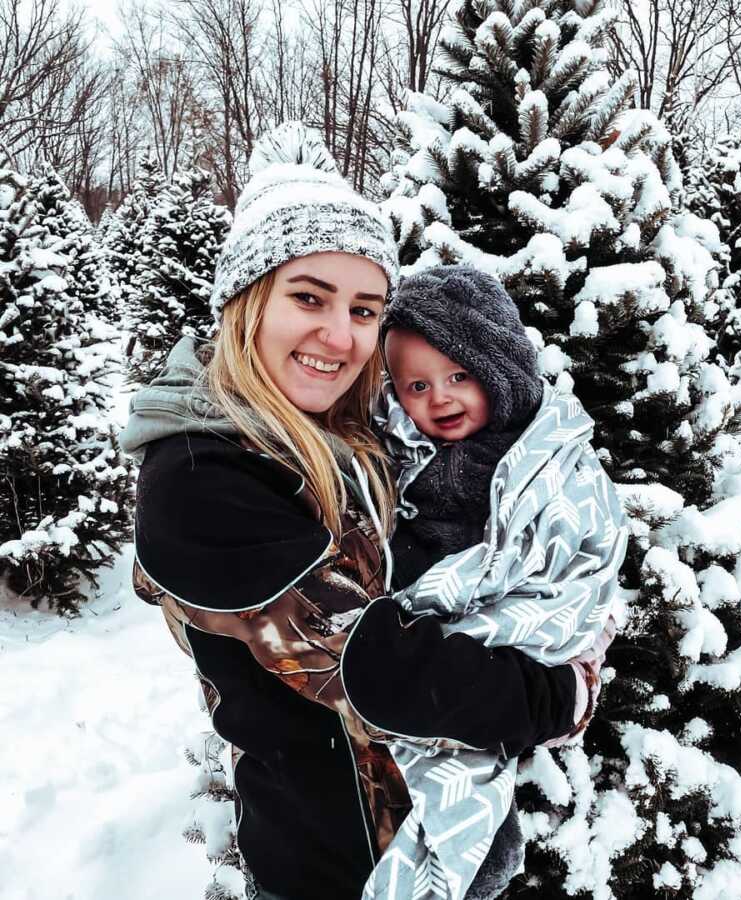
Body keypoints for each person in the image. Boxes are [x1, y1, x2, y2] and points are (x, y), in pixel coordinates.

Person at [119, 122, 591, 900]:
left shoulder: (339, 433)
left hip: (430, 835)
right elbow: (372, 666)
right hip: (336, 867)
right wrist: (557, 695)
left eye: (367, 309)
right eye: (309, 297)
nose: (340, 335)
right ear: (246, 301)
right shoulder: (202, 479)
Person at [362, 265, 627, 900]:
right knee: (435, 755)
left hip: (510, 633)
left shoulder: (548, 454)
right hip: (430, 643)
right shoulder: (401, 459)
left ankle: (473, 857)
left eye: (459, 376)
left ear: (499, 369)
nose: (440, 398)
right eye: (416, 385)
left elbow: (582, 546)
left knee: (472, 755)